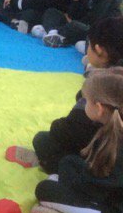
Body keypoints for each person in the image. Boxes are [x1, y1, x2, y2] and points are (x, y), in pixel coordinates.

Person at [8, 16, 123, 172]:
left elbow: (68, 130)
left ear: (99, 51)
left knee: (43, 141)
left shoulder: (102, 88)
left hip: (105, 159)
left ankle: (58, 171)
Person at [31, 67, 123, 213]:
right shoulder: (109, 130)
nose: (84, 104)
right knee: (67, 163)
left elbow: (95, 188)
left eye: (86, 100)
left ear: (99, 108)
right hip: (107, 191)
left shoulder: (116, 144)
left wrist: (67, 177)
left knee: (45, 189)